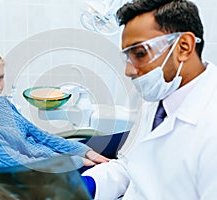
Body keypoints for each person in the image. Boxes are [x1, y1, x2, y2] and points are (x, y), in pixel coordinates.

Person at [83, 0, 217, 199]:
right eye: (128, 57)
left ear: (184, 46)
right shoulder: (158, 100)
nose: (129, 70)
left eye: (140, 53)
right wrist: (89, 184)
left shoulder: (210, 127)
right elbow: (133, 165)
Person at [0, 44, 109, 170]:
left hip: (55, 162)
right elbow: (21, 167)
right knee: (120, 168)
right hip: (45, 181)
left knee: (118, 145)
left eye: (0, 78)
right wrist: (76, 162)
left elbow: (41, 136)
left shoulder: (1, 104)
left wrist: (84, 151)